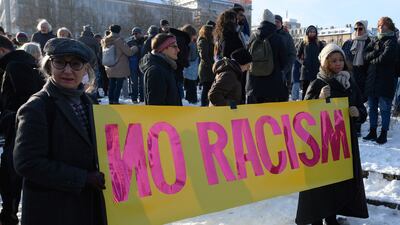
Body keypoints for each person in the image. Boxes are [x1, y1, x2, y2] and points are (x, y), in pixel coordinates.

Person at [13, 38, 107, 225]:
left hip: (87, 208)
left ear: (85, 69)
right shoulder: (37, 107)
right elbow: (27, 163)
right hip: (54, 210)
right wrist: (83, 178)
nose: (67, 70)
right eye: (60, 62)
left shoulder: (90, 102)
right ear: (49, 66)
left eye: (75, 64)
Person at [296, 43, 368, 225]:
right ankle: (316, 219)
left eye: (340, 60)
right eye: (333, 60)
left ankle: (331, 216)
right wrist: (319, 100)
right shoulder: (318, 83)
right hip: (321, 143)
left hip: (343, 142)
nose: (338, 64)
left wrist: (358, 113)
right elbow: (304, 113)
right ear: (325, 62)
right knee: (320, 183)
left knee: (337, 181)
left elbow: (361, 107)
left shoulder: (349, 82)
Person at [0, 35, 45, 225]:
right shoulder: (22, 63)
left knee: (13, 172)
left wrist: (9, 117)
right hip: (21, 125)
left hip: (18, 126)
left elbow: (25, 99)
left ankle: (10, 213)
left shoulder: (14, 66)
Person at [363, 17, 398, 144]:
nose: (380, 27)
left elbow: (385, 58)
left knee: (384, 108)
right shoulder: (375, 39)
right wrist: (375, 53)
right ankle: (372, 131)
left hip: (386, 80)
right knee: (372, 107)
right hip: (372, 78)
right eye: (379, 25)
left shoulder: (392, 41)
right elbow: (365, 55)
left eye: (383, 25)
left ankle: (383, 133)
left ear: (390, 26)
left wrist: (373, 57)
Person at [246, 9, 289, 104]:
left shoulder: (253, 37)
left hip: (254, 85)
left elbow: (247, 57)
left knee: (254, 116)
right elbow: (284, 61)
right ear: (272, 22)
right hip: (273, 85)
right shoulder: (278, 38)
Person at [139, 33, 181, 106]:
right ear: (163, 48)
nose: (178, 50)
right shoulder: (156, 71)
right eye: (174, 46)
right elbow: (156, 107)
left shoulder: (166, 66)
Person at [101, 24, 137, 104]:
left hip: (109, 65)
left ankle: (111, 100)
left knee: (112, 83)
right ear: (119, 31)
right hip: (120, 66)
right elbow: (129, 52)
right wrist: (134, 48)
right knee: (119, 84)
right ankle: (115, 100)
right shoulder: (119, 40)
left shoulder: (104, 40)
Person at [342, 20, 371, 101]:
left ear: (365, 29)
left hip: (363, 77)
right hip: (349, 76)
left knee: (361, 102)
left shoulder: (369, 43)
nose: (358, 31)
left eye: (360, 29)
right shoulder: (348, 42)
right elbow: (342, 56)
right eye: (356, 29)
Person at [297, 25, 325, 99]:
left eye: (313, 32)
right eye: (310, 32)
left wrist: (321, 64)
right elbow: (297, 55)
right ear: (307, 33)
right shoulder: (303, 43)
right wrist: (303, 62)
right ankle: (304, 107)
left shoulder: (319, 43)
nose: (312, 33)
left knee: (316, 91)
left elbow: (324, 55)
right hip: (306, 72)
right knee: (305, 91)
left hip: (316, 71)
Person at [275, 14, 296, 93]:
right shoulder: (268, 34)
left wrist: (285, 70)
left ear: (281, 23)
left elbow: (293, 54)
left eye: (277, 22)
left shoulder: (287, 36)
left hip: (284, 73)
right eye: (274, 22)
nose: (275, 24)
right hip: (270, 72)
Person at [197, 25, 215, 106]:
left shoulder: (208, 41)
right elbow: (204, 56)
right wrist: (212, 66)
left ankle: (206, 105)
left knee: (209, 87)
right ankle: (204, 106)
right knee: (206, 88)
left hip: (208, 67)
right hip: (206, 68)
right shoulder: (203, 41)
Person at [127, 27, 145, 103]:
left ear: (141, 33)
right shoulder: (130, 43)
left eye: (137, 33)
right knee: (134, 83)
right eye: (134, 34)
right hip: (133, 65)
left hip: (143, 65)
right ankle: (134, 98)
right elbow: (127, 54)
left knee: (142, 83)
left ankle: (142, 98)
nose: (135, 35)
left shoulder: (145, 41)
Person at [182, 24, 199, 104]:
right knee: (191, 88)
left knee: (189, 88)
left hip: (189, 69)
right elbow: (192, 56)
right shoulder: (191, 43)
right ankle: (192, 101)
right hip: (191, 68)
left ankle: (191, 101)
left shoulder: (188, 43)